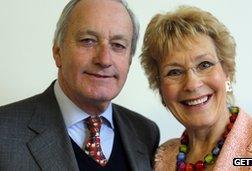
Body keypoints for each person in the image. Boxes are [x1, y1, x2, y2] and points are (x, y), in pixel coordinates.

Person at [0, 0, 160, 170]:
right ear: (58, 51)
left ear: (129, 60)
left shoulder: (145, 133)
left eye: (118, 45)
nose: (104, 59)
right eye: (88, 41)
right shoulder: (4, 131)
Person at [140, 5, 252, 171]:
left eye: (205, 64)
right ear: (160, 88)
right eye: (174, 72)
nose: (192, 84)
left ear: (227, 73)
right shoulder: (161, 159)